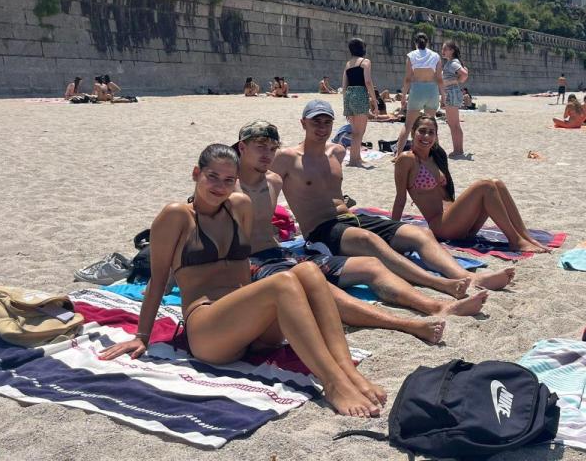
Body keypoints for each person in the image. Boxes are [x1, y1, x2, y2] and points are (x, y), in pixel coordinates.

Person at [99, 144, 384, 418]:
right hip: (209, 329)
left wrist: (261, 307)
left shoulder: (240, 206)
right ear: (196, 174)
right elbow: (158, 281)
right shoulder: (177, 216)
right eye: (212, 177)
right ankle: (334, 383)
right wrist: (142, 337)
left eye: (228, 180)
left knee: (308, 272)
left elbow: (241, 265)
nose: (219, 187)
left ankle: (350, 373)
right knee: (282, 282)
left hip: (252, 328)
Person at [234, 121, 484, 343]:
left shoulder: (274, 181)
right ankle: (406, 324)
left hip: (281, 254)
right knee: (317, 283)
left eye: (271, 147)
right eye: (259, 146)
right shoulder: (228, 185)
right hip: (253, 262)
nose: (267, 154)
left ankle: (436, 305)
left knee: (370, 265)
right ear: (242, 148)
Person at [270, 100, 515, 298]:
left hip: (351, 219)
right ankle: (440, 284)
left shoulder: (337, 151)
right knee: (368, 240)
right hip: (321, 231)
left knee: (419, 234)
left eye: (327, 121)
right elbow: (264, 190)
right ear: (303, 123)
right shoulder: (286, 159)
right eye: (316, 121)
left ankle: (468, 277)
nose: (322, 127)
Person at [393, 115, 549, 254]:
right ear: (413, 133)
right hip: (442, 227)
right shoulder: (407, 160)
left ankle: (525, 236)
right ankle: (515, 241)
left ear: (436, 136)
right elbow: (400, 199)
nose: (426, 136)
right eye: (422, 131)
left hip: (461, 224)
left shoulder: (436, 157)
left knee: (497, 184)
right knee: (485, 186)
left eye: (431, 132)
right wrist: (391, 231)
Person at [393, 33, 445, 158]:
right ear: (427, 42)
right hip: (432, 90)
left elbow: (407, 79)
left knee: (408, 125)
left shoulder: (411, 56)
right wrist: (443, 95)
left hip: (417, 90)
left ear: (415, 43)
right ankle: (435, 155)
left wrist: (404, 96)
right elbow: (439, 78)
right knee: (432, 124)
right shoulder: (435, 56)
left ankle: (398, 154)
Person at [341, 38, 378, 167]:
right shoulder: (365, 62)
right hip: (360, 94)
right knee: (359, 131)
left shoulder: (348, 64)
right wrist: (374, 100)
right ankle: (353, 160)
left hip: (349, 95)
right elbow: (368, 82)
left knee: (354, 130)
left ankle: (356, 157)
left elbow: (344, 86)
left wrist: (346, 104)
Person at [440, 40, 468, 157]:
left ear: (451, 50)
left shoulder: (452, 63)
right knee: (454, 123)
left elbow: (464, 74)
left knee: (453, 124)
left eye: (445, 49)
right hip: (452, 92)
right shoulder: (452, 62)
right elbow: (465, 72)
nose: (443, 51)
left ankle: (458, 150)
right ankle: (458, 149)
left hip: (451, 92)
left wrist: (456, 80)